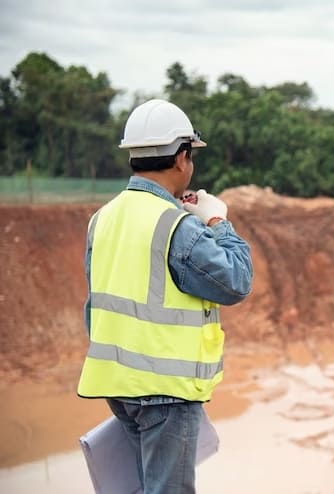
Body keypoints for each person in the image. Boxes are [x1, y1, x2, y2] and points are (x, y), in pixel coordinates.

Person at [77, 98, 253, 494]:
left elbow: (96, 306)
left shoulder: (101, 219)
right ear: (181, 157)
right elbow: (236, 280)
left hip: (120, 387)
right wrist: (217, 220)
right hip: (165, 393)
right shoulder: (176, 225)